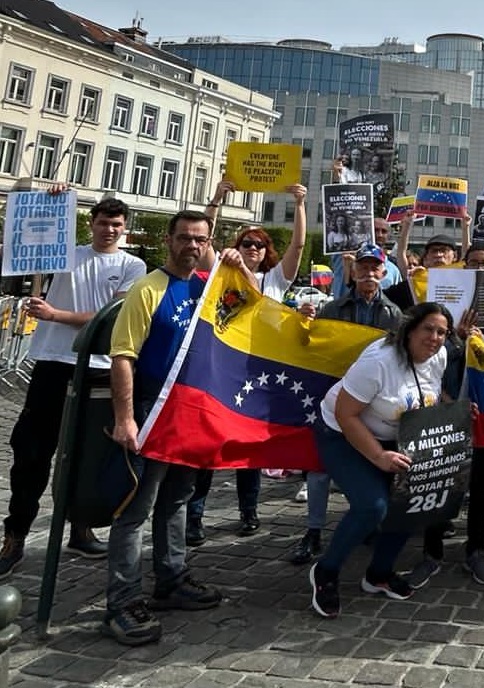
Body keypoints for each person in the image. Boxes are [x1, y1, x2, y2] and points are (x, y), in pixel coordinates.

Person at [0, 190, 146, 579]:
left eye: (116, 225)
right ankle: (15, 535)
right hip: (52, 362)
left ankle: (80, 526)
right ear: (91, 223)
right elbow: (36, 237)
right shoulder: (67, 254)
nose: (109, 230)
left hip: (99, 366)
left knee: (86, 454)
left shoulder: (133, 265)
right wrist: (53, 199)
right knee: (32, 450)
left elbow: (109, 319)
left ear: (124, 229)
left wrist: (55, 313)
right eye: (102, 223)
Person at [105, 210, 223, 646]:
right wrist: (125, 418)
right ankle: (122, 602)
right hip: (151, 414)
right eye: (184, 238)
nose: (192, 246)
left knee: (177, 500)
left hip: (190, 420)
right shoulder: (148, 289)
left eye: (200, 239)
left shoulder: (206, 288)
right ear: (168, 241)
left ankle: (171, 579)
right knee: (136, 510)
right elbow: (123, 356)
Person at [308, 303, 455, 617]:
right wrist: (377, 456)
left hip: (397, 435)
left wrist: (455, 411)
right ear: (409, 329)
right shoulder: (378, 362)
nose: (435, 337)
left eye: (442, 332)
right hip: (341, 431)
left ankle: (379, 575)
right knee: (372, 506)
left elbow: (430, 393)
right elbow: (345, 414)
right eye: (428, 328)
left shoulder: (438, 356)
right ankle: (326, 572)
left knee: (413, 500)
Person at [402, 242, 484, 588]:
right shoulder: (443, 306)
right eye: (473, 264)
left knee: (481, 481)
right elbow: (425, 350)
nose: (479, 270)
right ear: (463, 267)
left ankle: (476, 550)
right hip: (446, 404)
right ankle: (431, 553)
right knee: (437, 477)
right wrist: (456, 339)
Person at [189, 183, 309, 542]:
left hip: (258, 370)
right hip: (221, 367)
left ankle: (249, 511)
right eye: (246, 244)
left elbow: (298, 246)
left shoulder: (273, 281)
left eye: (259, 244)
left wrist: (300, 203)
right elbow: (203, 243)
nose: (253, 249)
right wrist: (216, 199)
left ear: (265, 252)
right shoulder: (221, 273)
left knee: (250, 446)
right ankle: (194, 517)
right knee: (210, 445)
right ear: (237, 248)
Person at [289, 245, 405, 566]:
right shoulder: (331, 309)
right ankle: (313, 530)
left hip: (372, 405)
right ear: (353, 272)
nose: (368, 273)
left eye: (374, 267)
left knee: (368, 466)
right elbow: (309, 345)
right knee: (318, 469)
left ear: (384, 273)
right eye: (363, 267)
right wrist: (302, 322)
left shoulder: (395, 315)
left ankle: (366, 524)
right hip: (333, 398)